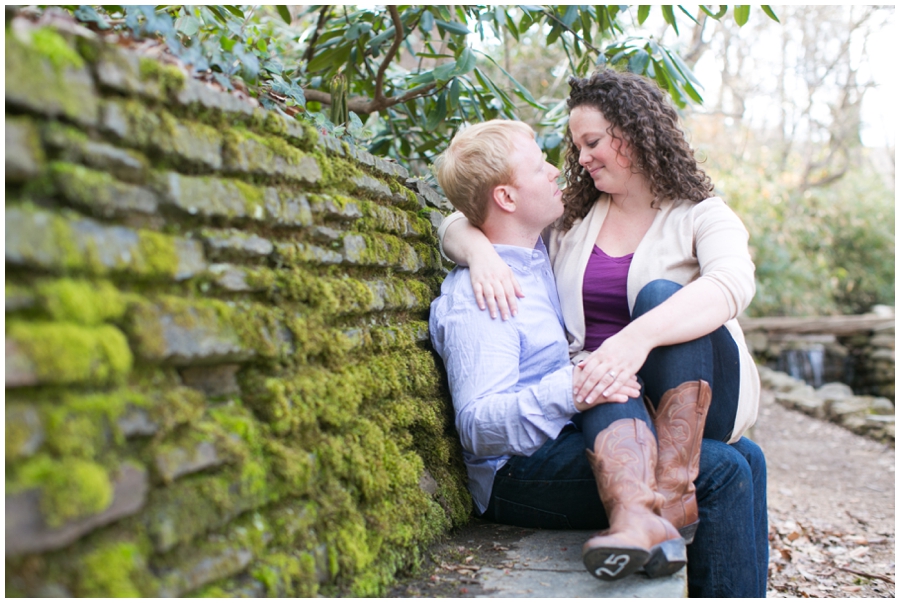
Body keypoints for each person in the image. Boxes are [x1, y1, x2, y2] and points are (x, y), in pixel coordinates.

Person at [437, 70, 768, 596]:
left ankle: (663, 499)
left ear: (633, 134)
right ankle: (664, 510)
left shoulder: (703, 215)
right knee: (743, 461)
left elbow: (731, 283)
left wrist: (633, 341)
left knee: (658, 301)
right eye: (575, 146)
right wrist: (477, 251)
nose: (578, 158)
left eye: (592, 142)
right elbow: (477, 214)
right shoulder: (571, 220)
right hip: (610, 402)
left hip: (695, 387)